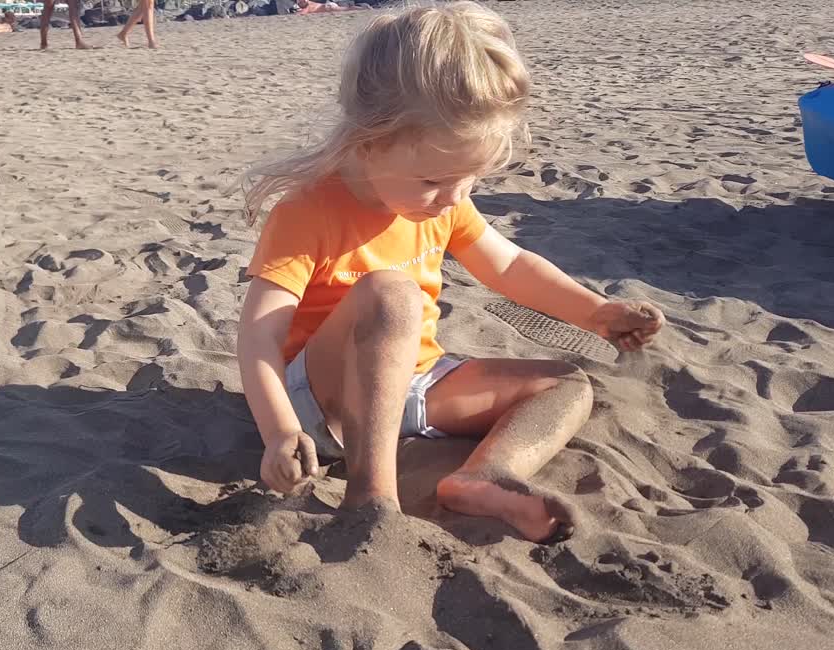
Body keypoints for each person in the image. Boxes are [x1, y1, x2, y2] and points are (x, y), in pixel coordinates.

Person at [237, 2, 664, 543]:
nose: (454, 198)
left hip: (414, 383)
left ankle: (484, 477)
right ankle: (370, 498)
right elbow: (259, 335)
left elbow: (508, 265)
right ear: (369, 141)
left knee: (564, 385)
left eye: (471, 179)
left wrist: (597, 312)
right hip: (321, 401)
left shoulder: (444, 197)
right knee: (394, 294)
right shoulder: (308, 212)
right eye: (436, 180)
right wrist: (279, 430)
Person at [295, 0, 360, 14]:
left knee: (345, 10)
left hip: (327, 7)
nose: (300, 4)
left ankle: (362, 9)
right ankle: (360, 8)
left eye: (300, 3)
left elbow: (302, 13)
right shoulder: (309, 4)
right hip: (328, 6)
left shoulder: (308, 7)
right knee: (346, 9)